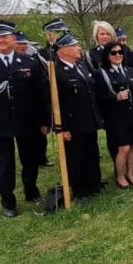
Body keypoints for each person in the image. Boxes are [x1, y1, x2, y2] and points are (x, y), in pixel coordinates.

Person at [0, 20, 50, 218]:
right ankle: (8, 201)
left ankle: (31, 192)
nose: (0, 40)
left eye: (4, 36)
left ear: (13, 39)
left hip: (27, 121)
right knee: (5, 164)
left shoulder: (28, 63)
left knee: (30, 160)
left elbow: (38, 96)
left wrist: (43, 121)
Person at [53, 33, 104, 200]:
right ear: (64, 50)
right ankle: (80, 189)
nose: (79, 48)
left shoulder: (81, 65)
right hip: (73, 123)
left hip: (89, 119)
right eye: (75, 46)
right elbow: (55, 103)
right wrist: (62, 128)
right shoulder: (57, 71)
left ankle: (94, 184)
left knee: (92, 153)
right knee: (76, 157)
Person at [96, 41, 133, 188]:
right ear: (107, 55)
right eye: (114, 53)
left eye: (120, 52)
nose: (118, 55)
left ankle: (130, 174)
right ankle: (120, 176)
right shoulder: (101, 73)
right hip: (115, 116)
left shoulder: (129, 70)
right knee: (123, 148)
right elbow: (98, 97)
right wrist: (115, 97)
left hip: (132, 114)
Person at [16, 30, 53, 167]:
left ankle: (41, 158)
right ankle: (29, 161)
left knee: (41, 133)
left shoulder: (33, 59)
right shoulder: (12, 62)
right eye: (19, 43)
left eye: (25, 43)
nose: (23, 46)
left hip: (36, 103)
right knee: (25, 139)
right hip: (21, 107)